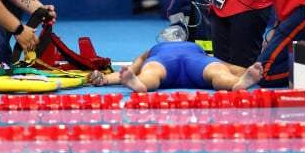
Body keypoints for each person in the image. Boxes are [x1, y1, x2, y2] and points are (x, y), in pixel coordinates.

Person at [88, 41, 263, 92]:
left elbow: (129, 71)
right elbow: (229, 66)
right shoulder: (196, 48)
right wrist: (243, 73)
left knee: (150, 72)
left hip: (166, 61)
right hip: (195, 62)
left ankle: (140, 84)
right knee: (217, 71)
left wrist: (104, 79)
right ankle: (235, 84)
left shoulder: (153, 50)